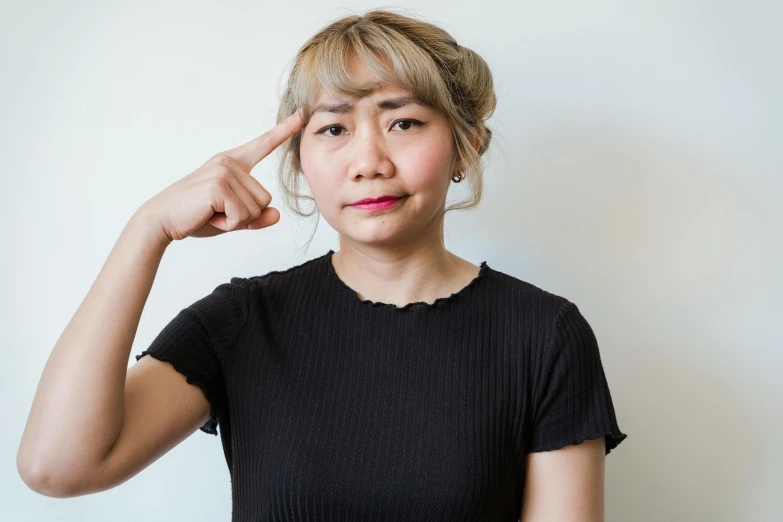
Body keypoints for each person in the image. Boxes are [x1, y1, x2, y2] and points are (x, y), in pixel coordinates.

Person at [17, 8, 627, 521]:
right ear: (300, 161)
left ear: (466, 143)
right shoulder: (242, 322)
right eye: (333, 128)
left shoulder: (543, 336)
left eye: (404, 122)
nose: (368, 160)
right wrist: (147, 229)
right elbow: (57, 467)